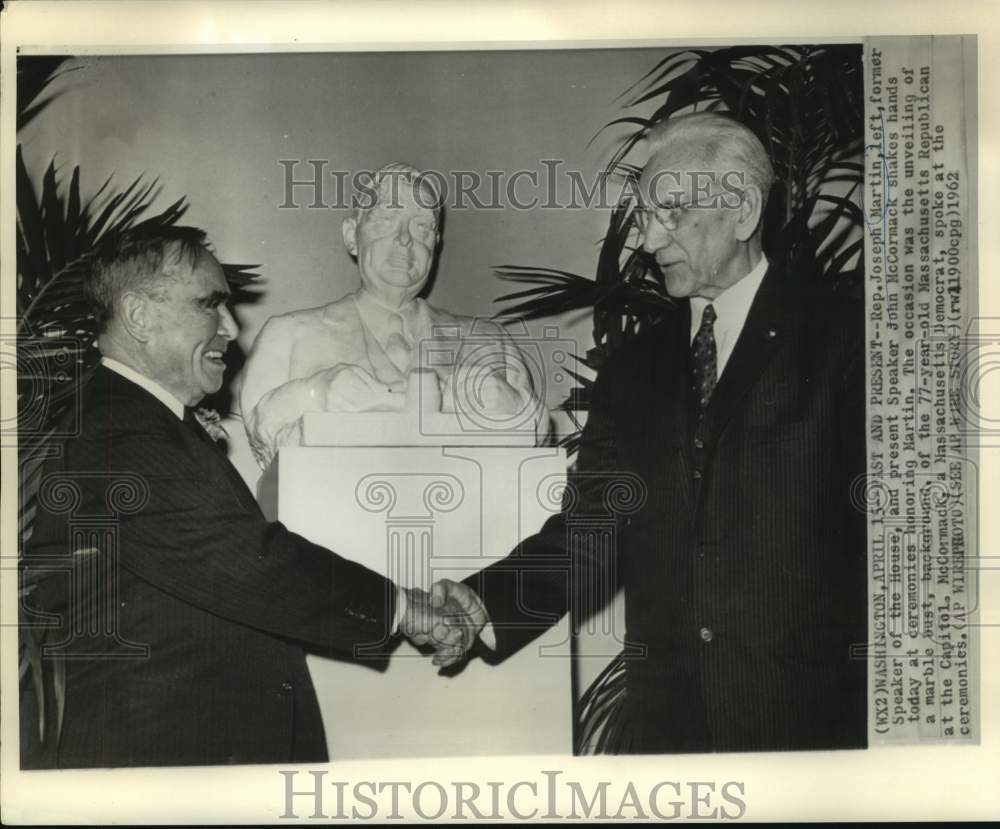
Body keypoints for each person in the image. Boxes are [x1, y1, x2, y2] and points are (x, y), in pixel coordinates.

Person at [436, 112, 868, 753]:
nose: (644, 240)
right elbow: (593, 531)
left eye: (668, 212)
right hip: (670, 735)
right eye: (644, 215)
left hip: (812, 734)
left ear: (743, 209)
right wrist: (485, 605)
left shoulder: (848, 339)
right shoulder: (634, 369)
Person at [19, 226, 466, 769]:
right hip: (159, 770)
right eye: (211, 305)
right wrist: (402, 607)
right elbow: (247, 561)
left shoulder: (142, 421)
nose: (231, 328)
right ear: (138, 315)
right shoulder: (118, 429)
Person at [239, 163, 548, 468]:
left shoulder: (491, 342)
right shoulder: (288, 335)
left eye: (422, 226)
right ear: (351, 236)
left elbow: (539, 434)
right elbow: (262, 436)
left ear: (436, 244)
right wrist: (316, 393)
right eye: (387, 219)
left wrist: (509, 403)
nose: (405, 238)